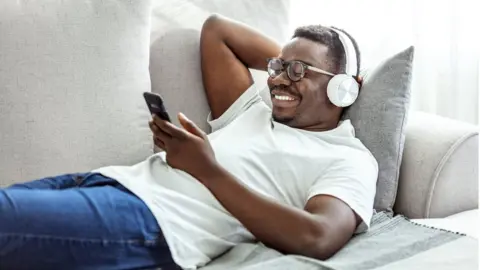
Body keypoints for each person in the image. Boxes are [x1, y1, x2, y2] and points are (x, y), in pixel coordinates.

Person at [0, 14, 378, 270]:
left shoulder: (347, 159)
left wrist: (206, 170)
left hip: (151, 223)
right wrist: (289, 63)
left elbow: (318, 237)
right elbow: (217, 31)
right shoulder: (251, 112)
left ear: (344, 88)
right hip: (106, 182)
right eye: (277, 68)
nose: (277, 80)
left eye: (299, 71)